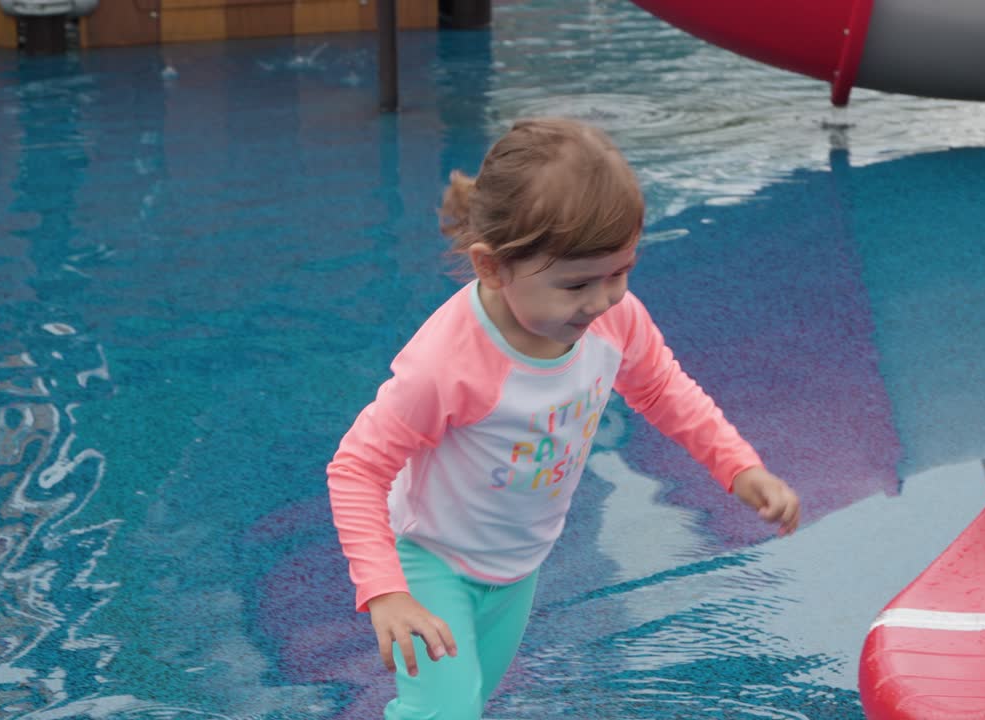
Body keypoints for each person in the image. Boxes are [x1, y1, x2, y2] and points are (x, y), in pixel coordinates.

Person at [326, 117, 800, 719]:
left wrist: (739, 467)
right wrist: (387, 591)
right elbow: (357, 468)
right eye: (577, 284)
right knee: (443, 713)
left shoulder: (614, 321)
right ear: (492, 268)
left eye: (620, 273)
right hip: (431, 557)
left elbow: (663, 390)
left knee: (467, 702)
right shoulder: (448, 364)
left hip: (516, 565)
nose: (602, 300)